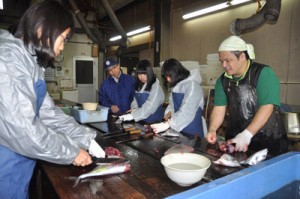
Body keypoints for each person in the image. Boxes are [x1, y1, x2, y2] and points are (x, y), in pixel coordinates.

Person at [0, 1, 105, 198]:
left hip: (17, 163)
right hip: (4, 163)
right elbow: (24, 131)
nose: (63, 47)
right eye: (63, 38)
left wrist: (85, 138)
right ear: (41, 29)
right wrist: (71, 152)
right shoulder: (9, 59)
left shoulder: (30, 62)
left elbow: (48, 113)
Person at [206, 35, 288, 154]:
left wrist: (246, 134)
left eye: (228, 60)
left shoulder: (263, 74)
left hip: (268, 140)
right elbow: (219, 109)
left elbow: (267, 107)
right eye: (221, 61)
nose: (224, 65)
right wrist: (212, 129)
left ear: (242, 56)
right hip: (237, 141)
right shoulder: (222, 81)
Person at [150, 58, 206, 137]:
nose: (168, 79)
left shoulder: (193, 86)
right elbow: (172, 105)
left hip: (193, 131)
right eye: (166, 77)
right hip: (178, 129)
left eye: (169, 76)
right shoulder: (176, 87)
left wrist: (169, 124)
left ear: (178, 72)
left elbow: (187, 111)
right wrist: (169, 112)